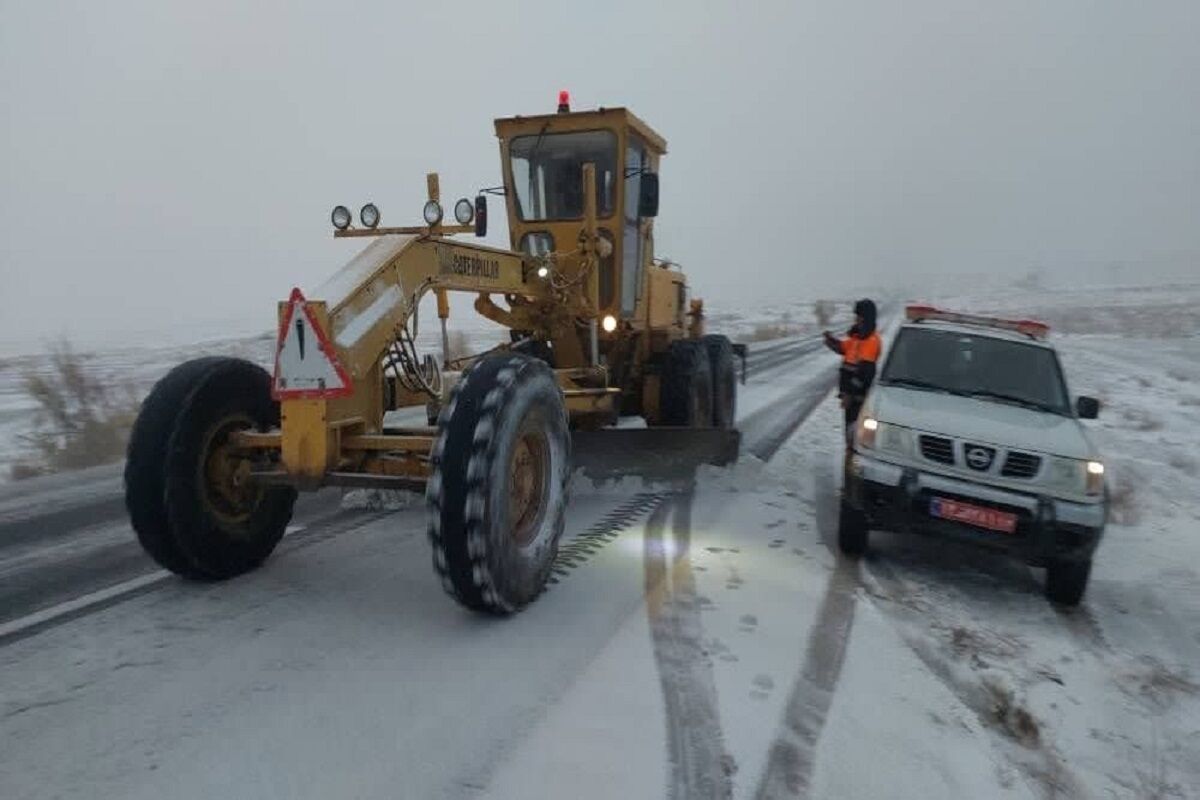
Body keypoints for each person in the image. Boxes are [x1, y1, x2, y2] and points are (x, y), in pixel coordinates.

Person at [824, 299, 882, 445]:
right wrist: (831, 341)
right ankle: (850, 458)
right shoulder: (857, 338)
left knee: (855, 436)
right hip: (850, 397)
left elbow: (865, 374)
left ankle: (852, 463)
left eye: (858, 316)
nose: (856, 319)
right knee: (850, 433)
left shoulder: (871, 341)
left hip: (858, 399)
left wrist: (849, 394)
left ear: (866, 317)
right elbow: (843, 348)